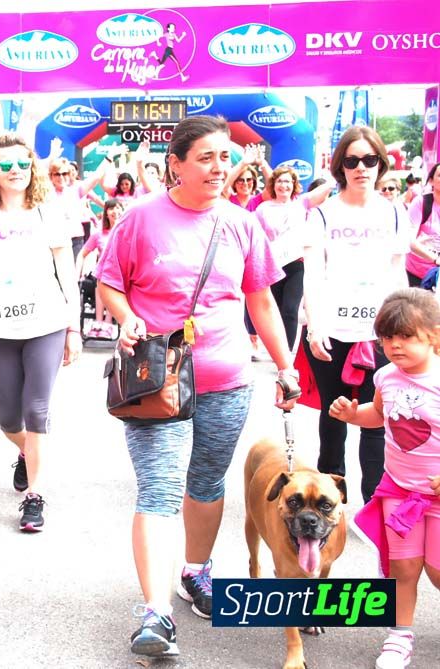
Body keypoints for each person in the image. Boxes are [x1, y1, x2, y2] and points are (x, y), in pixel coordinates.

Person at [97, 115, 300, 658]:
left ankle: (195, 571)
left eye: (225, 157)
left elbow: (261, 300)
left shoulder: (242, 224)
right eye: (205, 158)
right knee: (160, 490)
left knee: (206, 483)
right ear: (176, 165)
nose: (218, 168)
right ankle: (156, 613)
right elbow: (110, 283)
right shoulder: (140, 221)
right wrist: (126, 318)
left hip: (226, 380)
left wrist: (285, 366)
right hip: (156, 381)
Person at [0, 134, 81, 532]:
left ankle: (34, 496)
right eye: (7, 164)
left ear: (33, 168)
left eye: (23, 163)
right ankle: (27, 453)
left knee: (36, 410)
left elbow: (67, 273)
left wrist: (73, 327)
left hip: (45, 322)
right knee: (8, 417)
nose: (16, 171)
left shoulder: (49, 211)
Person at [329, 288, 440, 669]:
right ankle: (398, 636)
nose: (395, 345)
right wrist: (352, 414)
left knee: (439, 572)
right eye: (387, 337)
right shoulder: (385, 377)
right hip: (398, 487)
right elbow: (379, 415)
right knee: (401, 567)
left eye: (406, 336)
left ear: (434, 336)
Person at [303, 124, 410, 504]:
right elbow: (313, 273)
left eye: (369, 159)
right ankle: (326, 502)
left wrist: (404, 330)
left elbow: (399, 276)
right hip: (332, 330)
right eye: (352, 160)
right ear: (340, 166)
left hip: (380, 334)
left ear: (380, 163)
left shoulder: (396, 213)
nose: (361, 167)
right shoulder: (323, 215)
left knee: (375, 419)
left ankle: (374, 505)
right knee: (334, 418)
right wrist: (315, 328)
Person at [254, 167, 333, 350]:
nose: (284, 185)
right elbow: (256, 239)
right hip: (273, 267)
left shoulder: (302, 204)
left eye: (288, 181)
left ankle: (287, 355)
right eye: (280, 181)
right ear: (274, 184)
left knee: (290, 310)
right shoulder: (263, 209)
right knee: (277, 312)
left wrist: (335, 174)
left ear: (294, 185)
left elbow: (325, 189)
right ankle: (278, 350)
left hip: (297, 263)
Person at [76, 198, 122, 338]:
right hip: (102, 275)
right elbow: (82, 254)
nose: (115, 212)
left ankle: (107, 323)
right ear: (106, 212)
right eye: (111, 208)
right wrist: (76, 275)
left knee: (108, 279)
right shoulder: (99, 234)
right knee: (102, 278)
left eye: (117, 208)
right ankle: (99, 322)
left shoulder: (126, 231)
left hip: (121, 275)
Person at [405, 163, 440, 288]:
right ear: (431, 181)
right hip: (418, 274)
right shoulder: (421, 202)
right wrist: (436, 259)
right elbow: (409, 240)